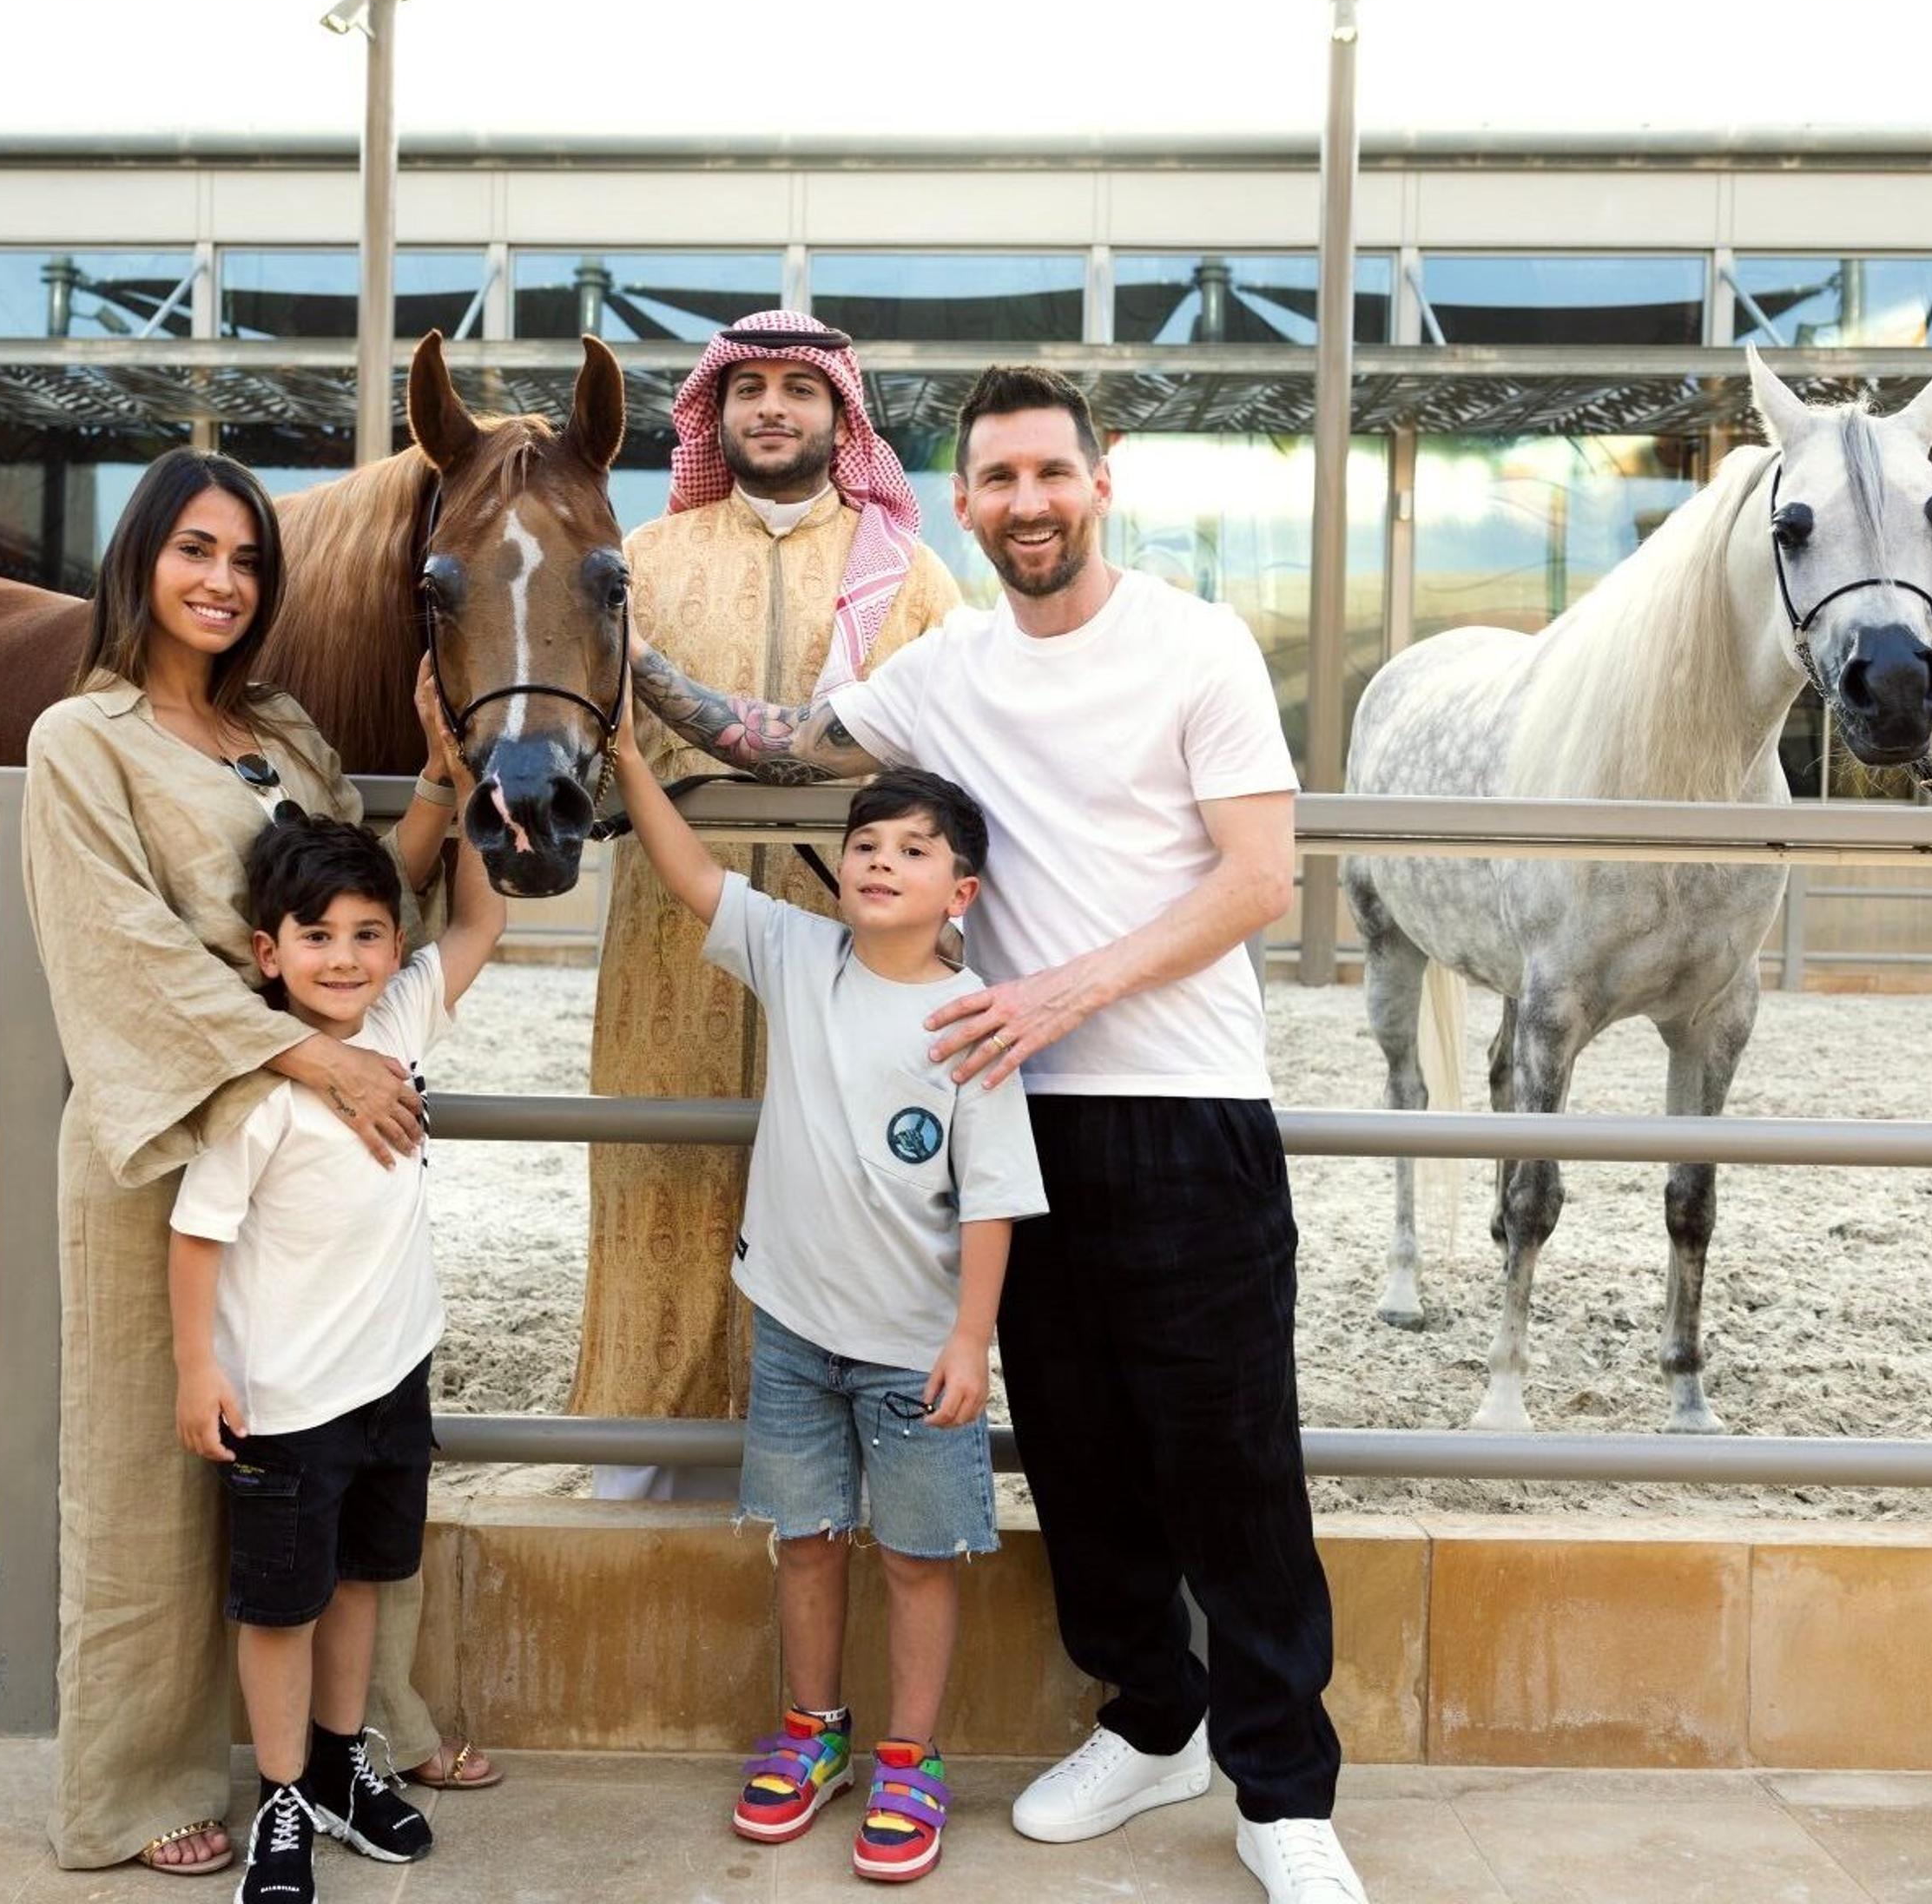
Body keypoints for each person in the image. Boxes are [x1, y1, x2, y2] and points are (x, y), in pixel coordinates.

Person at [630, 365, 1367, 1904]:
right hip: (1013, 1122)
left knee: (1229, 1455)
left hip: (1183, 1106)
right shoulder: (948, 667)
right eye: (997, 480)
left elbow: (1257, 880)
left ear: (1102, 485)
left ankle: (1283, 1784)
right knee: (1082, 1456)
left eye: (1051, 473)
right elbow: (773, 742)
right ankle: (1150, 1714)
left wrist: (1056, 991)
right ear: (960, 504)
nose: (1026, 503)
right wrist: (611, 662)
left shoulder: (1196, 644)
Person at [21, 450, 489, 1878]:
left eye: (247, 562)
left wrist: (447, 780)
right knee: (162, 1468)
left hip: (320, 1155)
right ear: (140, 562)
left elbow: (362, 887)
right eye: (196, 552)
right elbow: (124, 956)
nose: (223, 582)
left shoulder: (281, 727)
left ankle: (355, 1741)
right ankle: (144, 1781)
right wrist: (317, 1060)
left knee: (346, 1442)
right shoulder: (80, 742)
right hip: (164, 1138)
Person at [610, 735, 1045, 1885]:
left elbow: (996, 1200)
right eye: (864, 844)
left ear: (962, 891)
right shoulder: (799, 957)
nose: (880, 862)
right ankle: (816, 1733)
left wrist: (970, 1341)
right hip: (795, 1333)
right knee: (804, 1543)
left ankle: (913, 1753)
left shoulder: (973, 1022)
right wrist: (624, 757)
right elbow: (694, 874)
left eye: (913, 849)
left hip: (916, 1350)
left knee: (915, 1559)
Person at [579, 311, 964, 1497]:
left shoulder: (917, 576)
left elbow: (951, 770)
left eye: (801, 390)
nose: (773, 410)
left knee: (848, 1171)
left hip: (859, 948)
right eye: (749, 391)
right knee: (660, 1155)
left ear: (842, 417)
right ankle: (637, 1436)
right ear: (714, 413)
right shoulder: (643, 557)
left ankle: (826, 1433)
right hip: (672, 933)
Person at [170, 793, 505, 1904]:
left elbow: (480, 930)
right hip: (283, 1399)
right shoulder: (261, 1092)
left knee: (365, 1577)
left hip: (392, 1376)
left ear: (392, 946)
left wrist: (472, 808)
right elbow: (196, 1235)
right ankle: (277, 1797)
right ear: (268, 954)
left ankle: (336, 1759)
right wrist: (196, 1372)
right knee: (281, 1606)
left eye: (367, 934)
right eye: (316, 937)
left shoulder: (402, 1025)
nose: (345, 958)